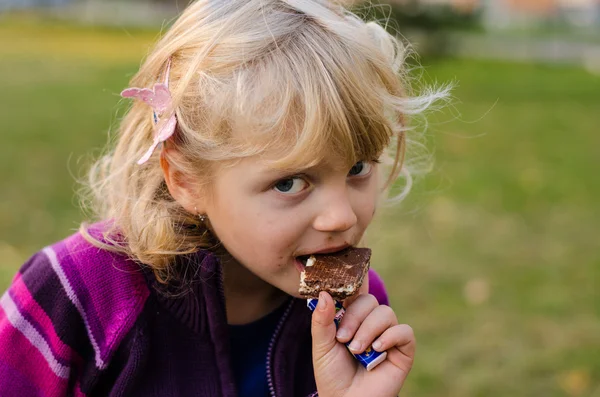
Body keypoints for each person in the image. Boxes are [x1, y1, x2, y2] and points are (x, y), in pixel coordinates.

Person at [0, 0, 448, 395]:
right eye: (290, 183)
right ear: (186, 181)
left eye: (357, 169)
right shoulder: (77, 294)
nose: (341, 216)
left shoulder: (357, 316)